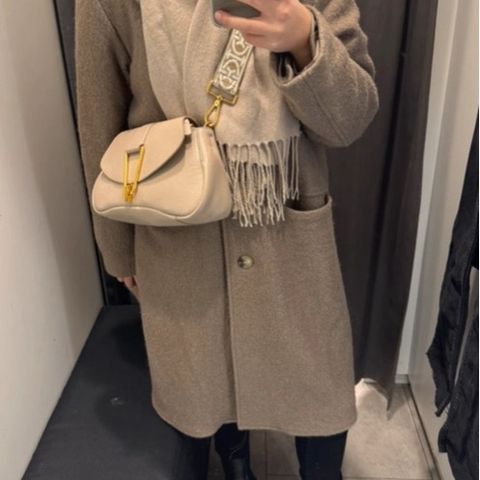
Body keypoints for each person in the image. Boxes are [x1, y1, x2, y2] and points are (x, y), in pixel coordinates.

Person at [75, 0, 379, 478]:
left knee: (317, 393)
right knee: (207, 386)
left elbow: (349, 121)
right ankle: (236, 465)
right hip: (177, 238)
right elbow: (99, 121)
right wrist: (118, 250)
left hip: (286, 233)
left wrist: (305, 39)